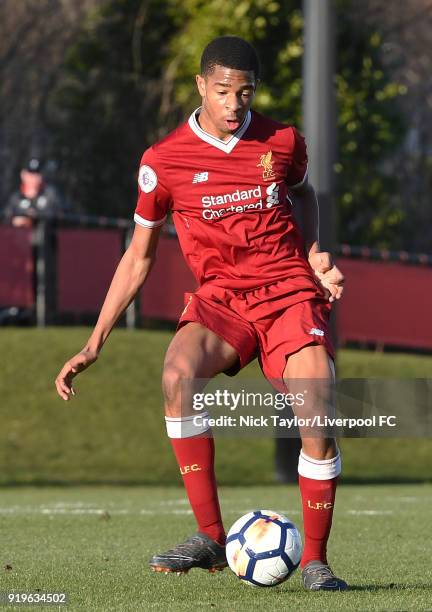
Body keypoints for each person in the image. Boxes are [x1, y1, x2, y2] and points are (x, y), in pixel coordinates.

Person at [55, 36, 346, 591]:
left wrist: (314, 253)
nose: (235, 103)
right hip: (222, 300)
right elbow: (138, 256)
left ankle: (315, 560)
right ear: (199, 87)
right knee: (177, 376)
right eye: (223, 91)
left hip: (287, 293)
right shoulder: (162, 162)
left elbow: (305, 196)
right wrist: (95, 342)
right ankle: (211, 538)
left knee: (318, 404)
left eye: (246, 92)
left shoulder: (282, 141)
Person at [3, 158, 66, 227]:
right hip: (19, 236)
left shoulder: (51, 194)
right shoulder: (16, 197)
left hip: (43, 235)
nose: (33, 178)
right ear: (23, 174)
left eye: (37, 174)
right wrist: (14, 220)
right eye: (30, 173)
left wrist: (35, 218)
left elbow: (60, 216)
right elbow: (6, 218)